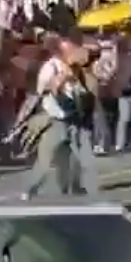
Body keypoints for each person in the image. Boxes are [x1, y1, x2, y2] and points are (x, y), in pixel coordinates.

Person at [21, 37, 97, 198]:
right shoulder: (51, 66)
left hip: (74, 117)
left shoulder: (75, 68)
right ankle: (30, 188)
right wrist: (60, 79)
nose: (74, 52)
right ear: (61, 51)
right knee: (46, 159)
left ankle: (72, 187)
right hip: (55, 119)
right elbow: (45, 89)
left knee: (75, 157)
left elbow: (83, 90)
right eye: (70, 49)